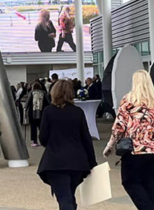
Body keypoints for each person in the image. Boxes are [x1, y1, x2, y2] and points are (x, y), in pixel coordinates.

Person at [103, 70, 154, 210]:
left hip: (136, 149)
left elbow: (119, 126)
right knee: (150, 184)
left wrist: (110, 145)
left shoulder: (128, 100)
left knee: (129, 181)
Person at [37, 79, 98, 210]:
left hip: (55, 161)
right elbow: (86, 139)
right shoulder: (78, 112)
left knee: (65, 198)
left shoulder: (48, 111)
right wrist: (92, 162)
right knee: (69, 195)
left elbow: (43, 138)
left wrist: (53, 143)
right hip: (77, 161)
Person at [28, 81, 47, 147]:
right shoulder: (44, 93)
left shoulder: (31, 93)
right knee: (41, 127)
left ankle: (35, 141)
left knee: (33, 127)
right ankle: (43, 140)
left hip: (32, 113)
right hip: (42, 113)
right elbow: (48, 102)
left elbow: (27, 103)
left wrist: (25, 108)